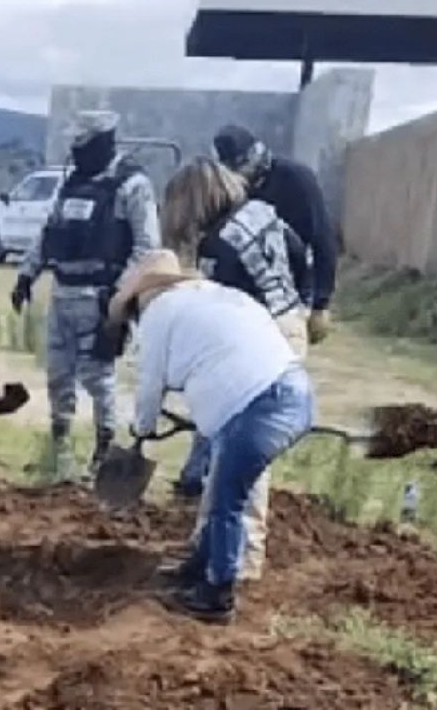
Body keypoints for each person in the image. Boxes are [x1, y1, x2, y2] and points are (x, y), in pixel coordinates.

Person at [108, 250, 313, 623]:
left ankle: (217, 596)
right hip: (290, 391)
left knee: (225, 500)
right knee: (220, 486)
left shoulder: (159, 314)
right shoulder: (210, 295)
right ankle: (200, 566)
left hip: (259, 404)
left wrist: (142, 431)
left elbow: (150, 385)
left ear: (140, 299)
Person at [161, 157, 309, 581]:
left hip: (261, 344)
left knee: (243, 460)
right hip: (284, 323)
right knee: (225, 453)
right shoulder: (262, 213)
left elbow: (218, 306)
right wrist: (302, 303)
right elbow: (303, 255)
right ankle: (209, 552)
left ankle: (240, 562)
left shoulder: (220, 243)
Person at [11, 110, 161, 481]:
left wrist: (120, 294)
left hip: (100, 298)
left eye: (83, 145)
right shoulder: (72, 182)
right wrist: (27, 274)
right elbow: (50, 233)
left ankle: (104, 456)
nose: (75, 153)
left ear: (103, 141)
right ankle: (59, 455)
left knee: (99, 379)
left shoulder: (132, 184)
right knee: (58, 378)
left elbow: (147, 247)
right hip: (62, 293)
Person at [213, 125, 336, 345]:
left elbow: (322, 239)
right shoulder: (224, 187)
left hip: (288, 287)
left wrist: (321, 303)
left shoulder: (296, 179)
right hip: (241, 289)